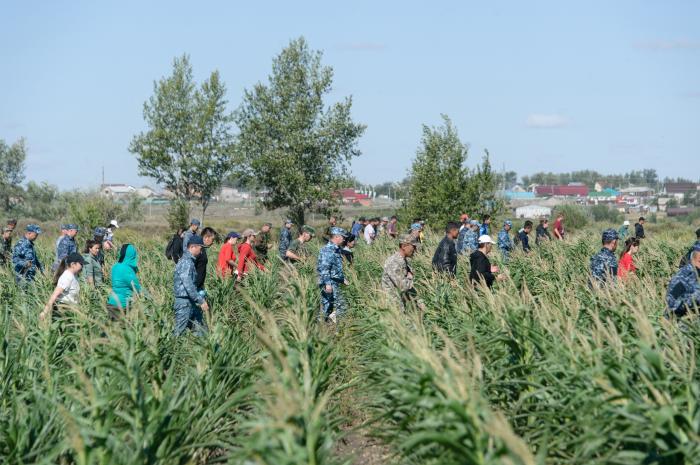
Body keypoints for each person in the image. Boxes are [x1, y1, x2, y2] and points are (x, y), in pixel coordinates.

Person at [173, 236, 209, 336]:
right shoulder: (186, 262)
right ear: (192, 247)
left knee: (201, 330)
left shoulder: (189, 261)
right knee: (179, 333)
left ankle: (208, 350)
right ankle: (171, 350)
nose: (201, 252)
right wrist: (200, 300)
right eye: (200, 248)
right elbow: (188, 284)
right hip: (184, 303)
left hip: (190, 302)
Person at [40, 253, 84, 320]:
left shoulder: (73, 275)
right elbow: (54, 295)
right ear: (73, 264)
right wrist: (45, 312)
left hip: (70, 309)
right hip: (63, 309)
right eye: (81, 264)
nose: (82, 266)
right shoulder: (67, 276)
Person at [317, 227, 348, 323]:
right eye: (343, 237)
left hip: (335, 281)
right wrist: (328, 284)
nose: (344, 239)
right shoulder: (328, 250)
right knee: (338, 306)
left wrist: (342, 279)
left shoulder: (336, 249)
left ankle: (323, 325)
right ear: (337, 237)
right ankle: (322, 326)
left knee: (329, 307)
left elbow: (336, 268)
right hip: (330, 282)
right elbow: (324, 268)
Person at [381, 234, 421, 310]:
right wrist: (410, 277)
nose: (415, 249)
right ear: (403, 246)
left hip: (399, 304)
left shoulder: (403, 261)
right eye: (413, 246)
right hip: (393, 306)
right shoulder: (394, 262)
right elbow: (403, 286)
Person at [106, 244, 142, 319]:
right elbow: (137, 288)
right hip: (122, 305)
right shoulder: (127, 269)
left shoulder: (115, 266)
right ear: (132, 255)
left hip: (112, 302)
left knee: (111, 329)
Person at [666, 245, 700, 318]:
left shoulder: (697, 273)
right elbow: (672, 303)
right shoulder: (683, 277)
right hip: (682, 323)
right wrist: (696, 298)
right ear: (693, 260)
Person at [195, 227, 217, 294]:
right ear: (206, 237)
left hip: (199, 286)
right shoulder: (197, 249)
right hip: (194, 287)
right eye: (212, 239)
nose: (213, 242)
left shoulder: (202, 248)